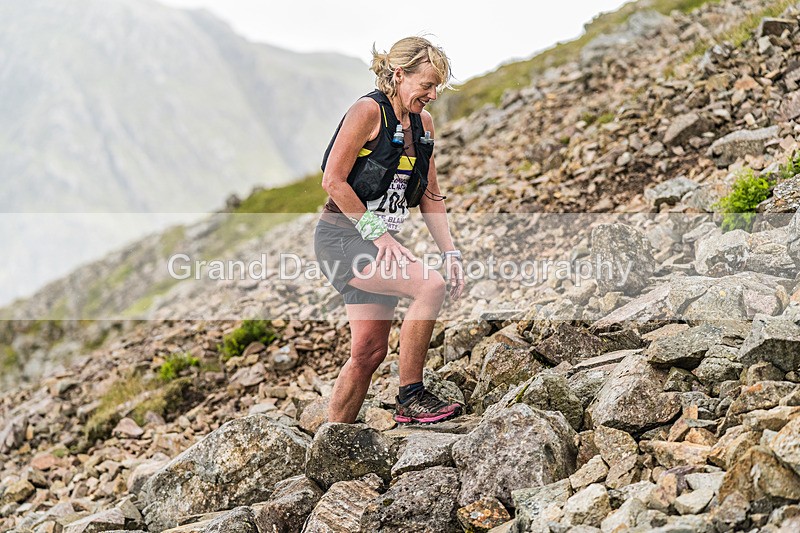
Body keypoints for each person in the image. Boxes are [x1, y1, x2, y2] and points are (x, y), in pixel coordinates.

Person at [314, 36, 465, 424]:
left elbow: (430, 194)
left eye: (437, 87)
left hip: (378, 243)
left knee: (368, 352)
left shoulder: (423, 125)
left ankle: (332, 438)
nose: (432, 94)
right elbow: (333, 180)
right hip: (343, 239)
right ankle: (411, 398)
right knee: (429, 286)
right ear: (399, 75)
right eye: (427, 85)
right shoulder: (368, 111)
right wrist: (379, 236)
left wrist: (450, 252)